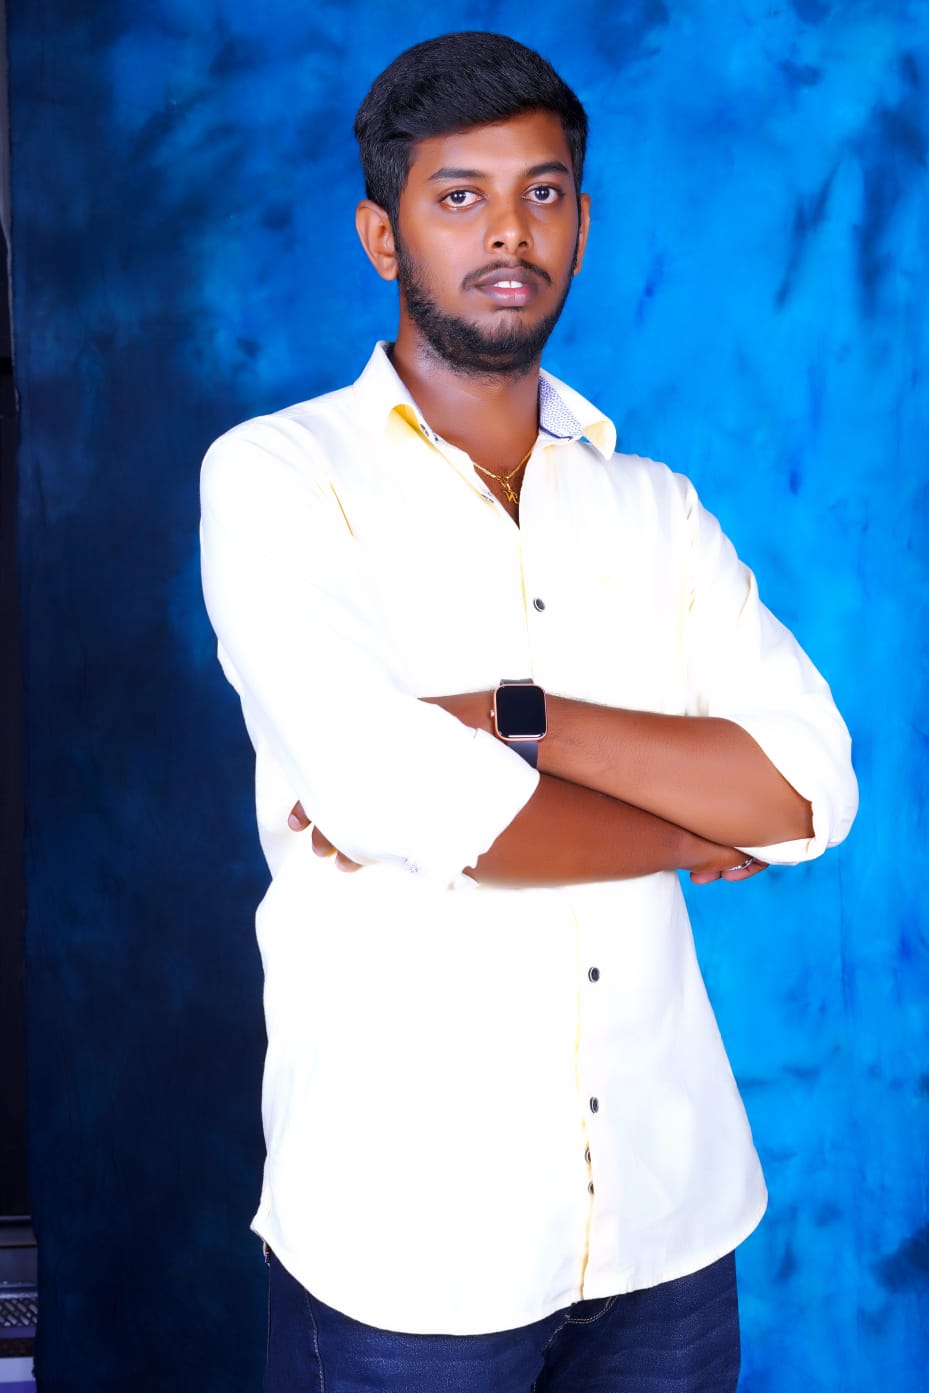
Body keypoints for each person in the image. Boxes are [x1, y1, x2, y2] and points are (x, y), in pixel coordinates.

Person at [200, 30, 858, 1393]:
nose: (509, 231)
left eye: (542, 192)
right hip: (409, 1247)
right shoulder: (276, 477)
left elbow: (809, 789)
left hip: (671, 1229)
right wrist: (691, 825)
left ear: (581, 223)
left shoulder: (654, 506)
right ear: (382, 236)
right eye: (460, 196)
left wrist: (518, 717)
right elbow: (395, 798)